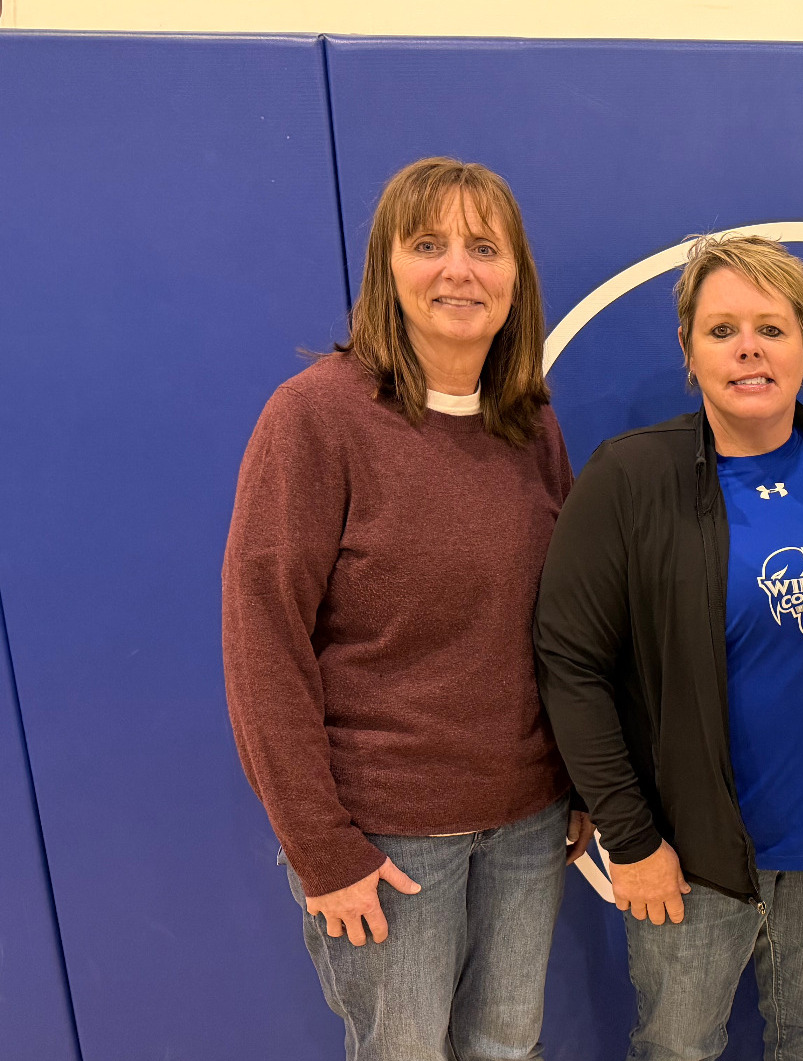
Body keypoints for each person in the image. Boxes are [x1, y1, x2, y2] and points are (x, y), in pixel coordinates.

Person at [223, 157, 587, 1061]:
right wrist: (320, 846)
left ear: (516, 279)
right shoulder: (315, 418)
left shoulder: (529, 421)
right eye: (428, 245)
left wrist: (579, 783)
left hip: (529, 822)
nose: (458, 270)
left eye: (482, 247)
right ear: (386, 267)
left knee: (507, 1048)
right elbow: (262, 638)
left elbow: (566, 625)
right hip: (385, 837)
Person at [533, 234, 803, 1061]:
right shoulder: (630, 479)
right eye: (722, 329)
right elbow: (571, 664)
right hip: (690, 856)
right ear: (688, 349)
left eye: (772, 328)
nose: (749, 347)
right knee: (678, 1048)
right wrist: (631, 838)